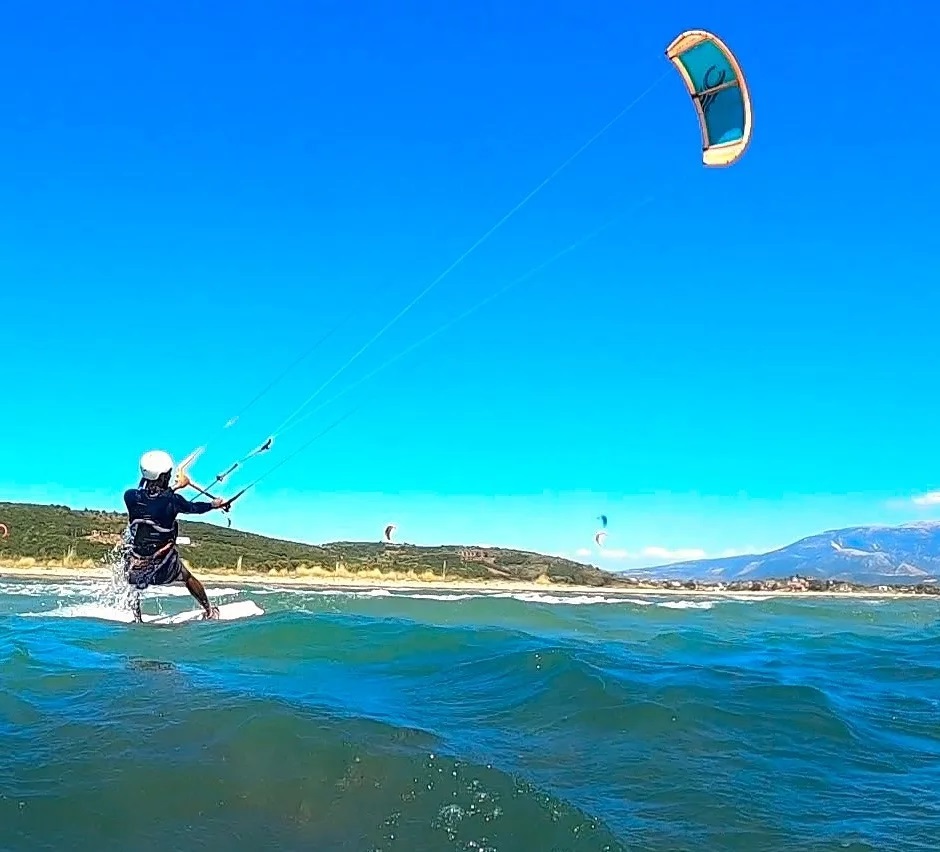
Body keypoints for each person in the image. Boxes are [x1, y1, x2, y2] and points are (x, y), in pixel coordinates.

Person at [123, 449, 227, 622]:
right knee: (187, 577)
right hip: (163, 566)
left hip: (137, 567)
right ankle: (209, 611)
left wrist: (176, 486)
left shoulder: (130, 497)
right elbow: (193, 508)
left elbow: (151, 499)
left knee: (131, 580)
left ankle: (137, 618)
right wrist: (214, 504)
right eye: (168, 475)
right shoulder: (173, 501)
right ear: (163, 477)